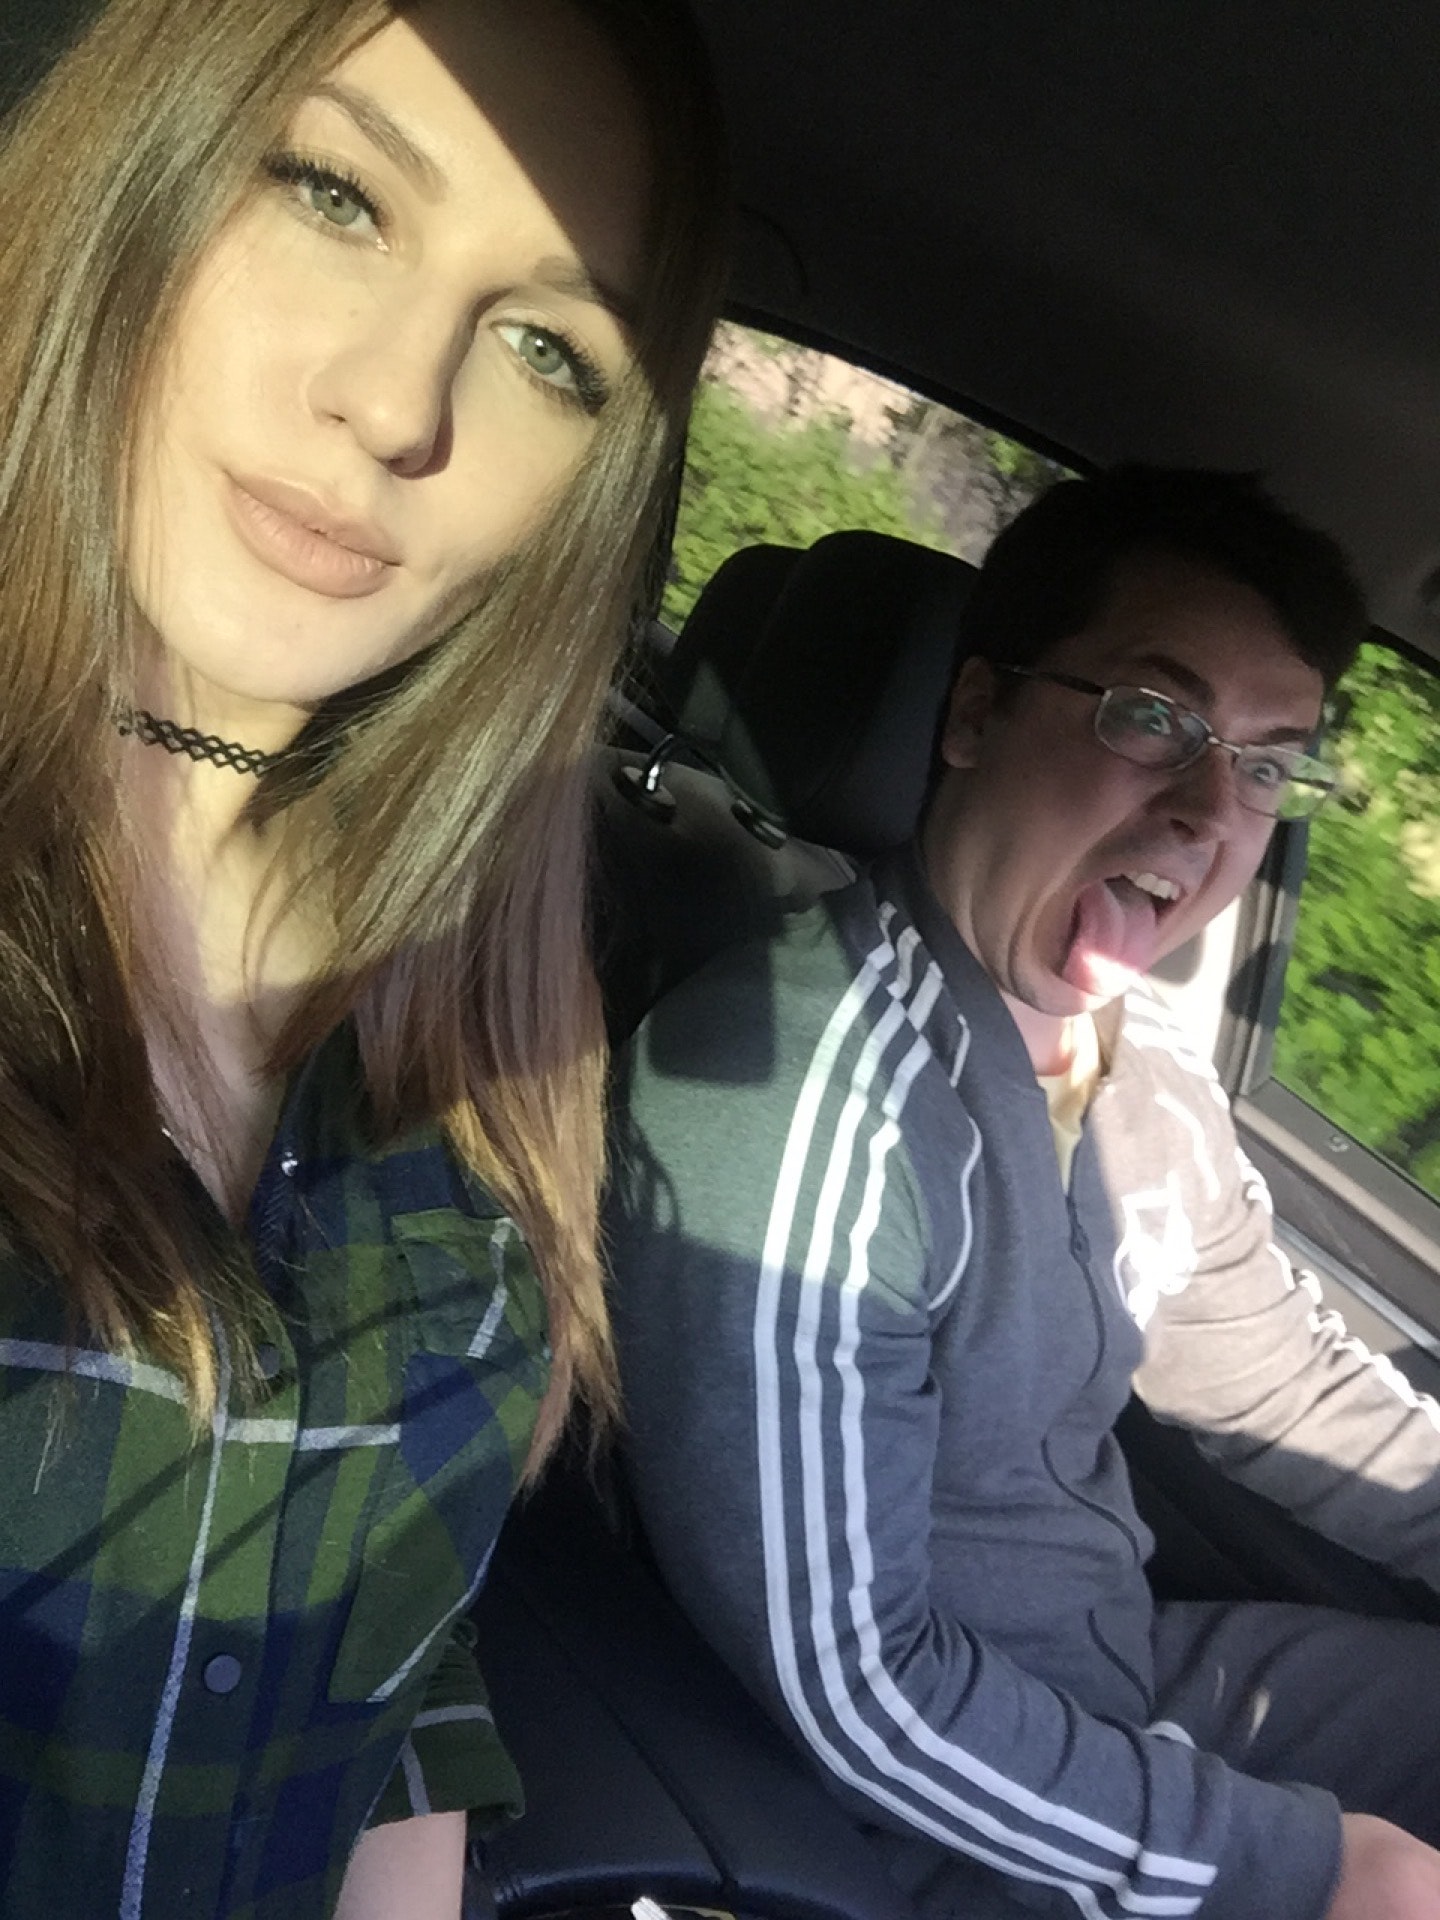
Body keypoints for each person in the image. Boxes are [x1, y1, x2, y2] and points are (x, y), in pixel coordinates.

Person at [0, 0, 726, 1914]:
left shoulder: (490, 1017)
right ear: (138, 170)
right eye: (335, 193)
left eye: (549, 349)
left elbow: (397, 1642)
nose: (402, 406)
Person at [608, 469, 1440, 1920]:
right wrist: (1306, 1868)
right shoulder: (798, 1099)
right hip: (924, 1829)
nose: (1209, 810)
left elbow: (1282, 1385)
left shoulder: (1144, 1070)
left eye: (1267, 765)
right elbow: (858, 1689)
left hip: (1116, 1681)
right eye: (1153, 717)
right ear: (977, 712)